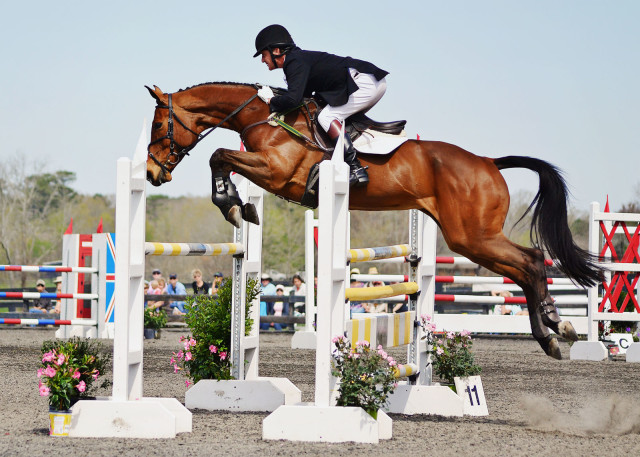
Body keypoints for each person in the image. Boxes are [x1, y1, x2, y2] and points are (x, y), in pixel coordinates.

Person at [254, 24, 388, 187]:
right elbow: (303, 98)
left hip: (365, 83)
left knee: (327, 117)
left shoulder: (294, 62)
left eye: (263, 54)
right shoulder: (297, 60)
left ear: (276, 51)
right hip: (368, 81)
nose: (262, 60)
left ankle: (355, 169)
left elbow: (293, 100)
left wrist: (271, 101)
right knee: (331, 116)